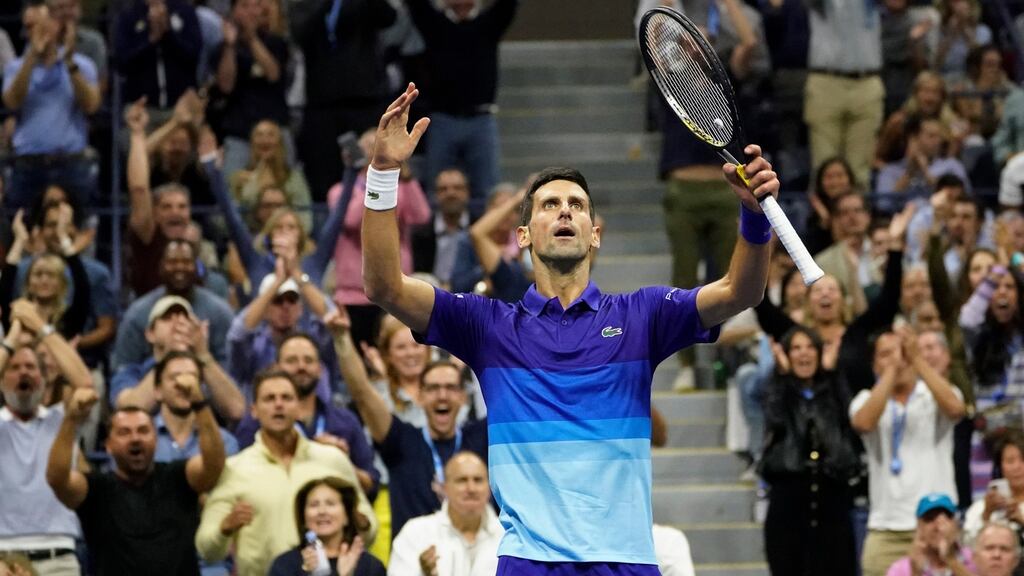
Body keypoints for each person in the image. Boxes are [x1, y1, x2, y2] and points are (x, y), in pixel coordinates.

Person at [362, 83, 779, 571]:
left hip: (624, 562)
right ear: (522, 236)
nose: (565, 210)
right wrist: (384, 173)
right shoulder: (487, 326)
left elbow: (740, 292)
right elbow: (384, 287)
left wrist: (753, 218)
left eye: (577, 205)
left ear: (595, 234)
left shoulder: (642, 316)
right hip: (528, 562)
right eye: (549, 205)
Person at [195, 370, 377, 576]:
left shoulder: (332, 460)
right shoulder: (234, 469)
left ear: (300, 408)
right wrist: (225, 529)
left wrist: (359, 521)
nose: (278, 405)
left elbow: (369, 532)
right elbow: (206, 548)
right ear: (253, 410)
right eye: (269, 398)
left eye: (286, 398)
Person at [47, 384, 226, 575]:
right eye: (124, 432)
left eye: (143, 431)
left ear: (156, 438)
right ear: (108, 445)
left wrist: (200, 404)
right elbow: (57, 479)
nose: (135, 438)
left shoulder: (179, 477)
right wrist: (71, 419)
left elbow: (214, 465)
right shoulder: (96, 489)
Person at [850, 329, 966, 576]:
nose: (897, 358)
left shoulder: (935, 394)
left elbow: (957, 410)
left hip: (937, 524)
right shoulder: (864, 399)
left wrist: (918, 361)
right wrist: (892, 370)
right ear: (874, 364)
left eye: (902, 352)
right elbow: (863, 423)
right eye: (885, 354)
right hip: (885, 530)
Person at [0, 303, 93, 576]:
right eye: (14, 368)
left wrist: (41, 328)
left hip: (59, 553)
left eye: (31, 367)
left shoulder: (62, 419)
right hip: (3, 556)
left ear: (44, 378)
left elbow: (84, 384)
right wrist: (12, 339)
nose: (24, 373)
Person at [759, 326, 859, 575]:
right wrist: (783, 377)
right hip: (788, 502)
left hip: (832, 501)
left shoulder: (832, 388)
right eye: (796, 348)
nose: (804, 354)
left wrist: (832, 373)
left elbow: (848, 419)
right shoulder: (779, 389)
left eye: (810, 347)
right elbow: (776, 419)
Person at [232, 331, 380, 498]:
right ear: (277, 367)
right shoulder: (255, 421)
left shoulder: (345, 421)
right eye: (291, 360)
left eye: (308, 360)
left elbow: (371, 486)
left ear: (320, 369)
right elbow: (238, 480)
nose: (301, 367)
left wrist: (340, 461)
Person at [405, 0, 518, 204]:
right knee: (437, 190)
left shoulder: (489, 23)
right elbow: (416, 6)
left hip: (481, 119)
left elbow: (508, 5)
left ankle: (483, 234)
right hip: (442, 119)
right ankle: (439, 235)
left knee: (487, 191)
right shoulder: (435, 24)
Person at [1, 2, 99, 212]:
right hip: (28, 163)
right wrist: (31, 60)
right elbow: (11, 102)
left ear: (56, 25)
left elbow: (91, 106)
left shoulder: (82, 65)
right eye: (29, 27)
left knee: (78, 231)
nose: (34, 32)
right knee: (21, 229)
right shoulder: (15, 68)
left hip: (71, 163)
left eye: (40, 25)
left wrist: (70, 64)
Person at [112, 297, 245, 424]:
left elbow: (237, 410)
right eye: (167, 318)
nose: (177, 324)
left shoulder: (206, 369)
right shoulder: (133, 372)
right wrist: (167, 358)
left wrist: (203, 354)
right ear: (150, 334)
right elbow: (130, 411)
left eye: (184, 318)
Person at [112, 239, 235, 371]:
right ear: (161, 266)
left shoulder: (220, 312)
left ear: (197, 267)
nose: (180, 267)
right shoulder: (137, 314)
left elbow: (231, 369)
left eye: (186, 262)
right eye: (172, 262)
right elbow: (123, 370)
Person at [388, 451, 502, 576]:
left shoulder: (507, 534)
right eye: (462, 480)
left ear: (490, 487)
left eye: (478, 480)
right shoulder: (415, 532)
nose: (471, 488)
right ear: (445, 488)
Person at [214, 0, 291, 180]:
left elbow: (273, 74)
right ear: (233, 11)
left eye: (255, 5)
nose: (251, 11)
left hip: (275, 130)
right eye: (244, 6)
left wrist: (252, 39)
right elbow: (225, 85)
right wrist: (230, 46)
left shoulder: (276, 42)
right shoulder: (224, 47)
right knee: (233, 189)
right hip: (238, 131)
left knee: (282, 186)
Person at [268, 477, 385, 576]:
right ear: (303, 517)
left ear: (347, 516)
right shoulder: (285, 565)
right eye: (314, 505)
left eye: (330, 504)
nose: (322, 511)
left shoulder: (370, 566)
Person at [115, 0, 201, 110]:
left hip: (182, 107)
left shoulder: (185, 11)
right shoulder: (128, 15)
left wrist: (167, 33)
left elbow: (194, 56)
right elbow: (122, 63)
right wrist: (151, 40)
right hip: (140, 108)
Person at [411, 168, 472, 288]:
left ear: (467, 192)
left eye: (457, 188)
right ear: (436, 195)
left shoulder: (479, 226)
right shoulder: (421, 232)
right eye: (443, 189)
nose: (451, 194)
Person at [886, 493, 975, 575]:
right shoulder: (900, 569)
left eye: (945, 518)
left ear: (955, 524)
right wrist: (916, 572)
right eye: (929, 519)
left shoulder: (975, 558)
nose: (938, 526)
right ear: (919, 527)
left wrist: (952, 562)